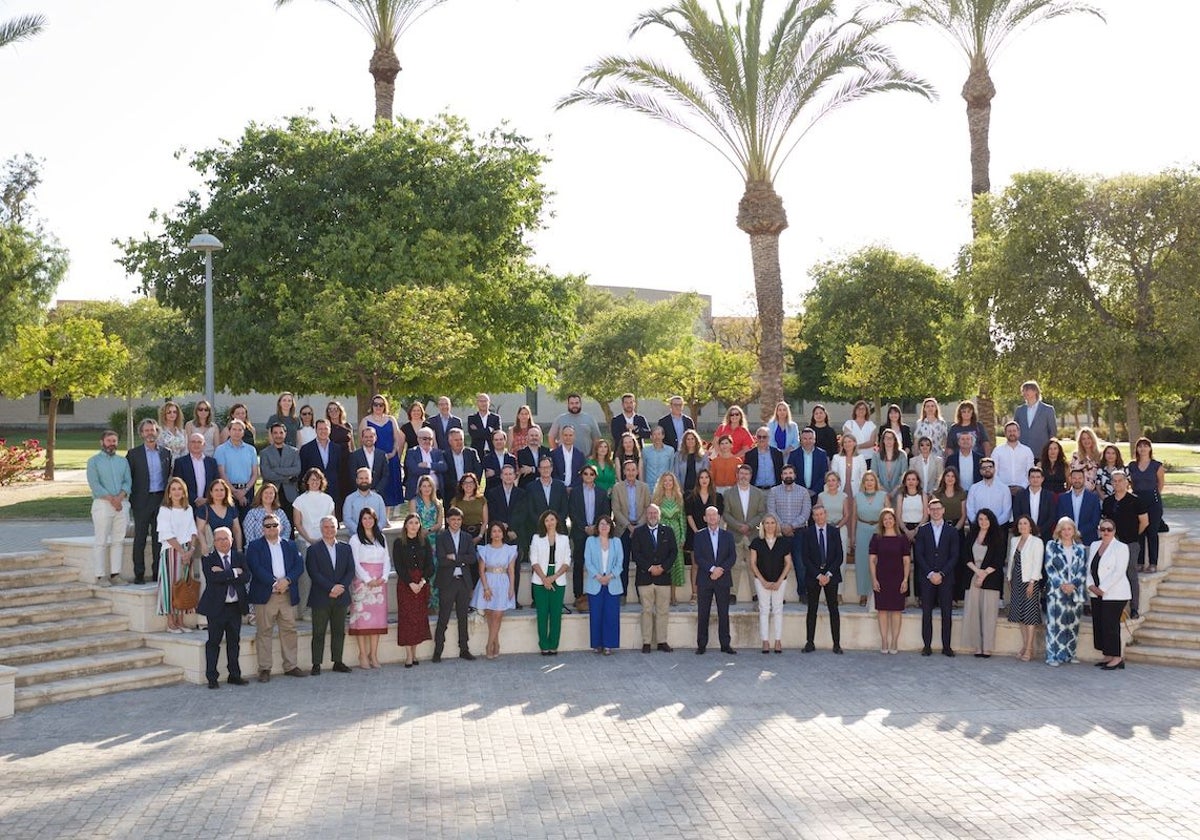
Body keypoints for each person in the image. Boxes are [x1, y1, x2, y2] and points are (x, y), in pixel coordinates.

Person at [244, 512, 307, 681]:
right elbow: (255, 568)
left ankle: (291, 665)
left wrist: (287, 581)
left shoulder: (290, 545)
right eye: (268, 526)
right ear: (263, 529)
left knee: (289, 630)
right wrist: (275, 583)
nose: (272, 528)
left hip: (286, 594)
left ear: (280, 527)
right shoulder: (254, 546)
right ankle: (264, 668)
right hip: (266, 595)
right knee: (264, 631)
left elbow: (298, 566)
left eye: (274, 525)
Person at [198, 526, 250, 689]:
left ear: (232, 540)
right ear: (214, 542)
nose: (222, 542)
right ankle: (212, 677)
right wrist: (235, 572)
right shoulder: (209, 559)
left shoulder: (239, 556)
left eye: (225, 538)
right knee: (213, 642)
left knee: (234, 642)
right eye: (219, 539)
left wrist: (225, 573)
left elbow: (246, 577)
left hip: (235, 606)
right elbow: (213, 578)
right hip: (216, 608)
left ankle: (234, 675)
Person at [305, 515, 355, 675]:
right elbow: (314, 572)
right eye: (326, 527)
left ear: (337, 529)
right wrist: (331, 588)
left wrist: (341, 587)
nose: (329, 530)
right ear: (321, 529)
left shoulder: (345, 548)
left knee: (339, 631)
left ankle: (338, 661)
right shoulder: (313, 549)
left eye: (332, 527)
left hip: (341, 596)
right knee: (318, 632)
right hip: (321, 596)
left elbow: (350, 570)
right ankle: (316, 663)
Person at [127, 418, 172, 585]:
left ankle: (156, 572)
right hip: (141, 501)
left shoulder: (166, 453)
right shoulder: (133, 454)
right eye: (146, 431)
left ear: (157, 432)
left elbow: (168, 476)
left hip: (160, 499)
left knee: (158, 539)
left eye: (152, 430)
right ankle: (139, 573)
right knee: (140, 538)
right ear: (141, 434)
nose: (150, 434)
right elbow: (129, 478)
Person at [913, 498, 959, 657]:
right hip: (927, 578)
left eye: (938, 508)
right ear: (928, 511)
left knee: (947, 613)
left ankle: (947, 646)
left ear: (943, 510)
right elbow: (918, 554)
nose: (936, 511)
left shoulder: (952, 531)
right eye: (932, 509)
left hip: (946, 578)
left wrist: (942, 573)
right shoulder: (923, 530)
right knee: (927, 612)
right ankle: (927, 645)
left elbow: (954, 556)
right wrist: (930, 573)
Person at [348, 507, 392, 670]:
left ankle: (374, 654)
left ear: (375, 520)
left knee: (376, 620)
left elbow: (386, 559)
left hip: (380, 583)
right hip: (363, 583)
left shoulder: (381, 538)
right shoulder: (355, 539)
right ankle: (362, 654)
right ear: (360, 521)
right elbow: (355, 562)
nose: (368, 521)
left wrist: (384, 577)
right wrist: (367, 579)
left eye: (370, 518)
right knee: (362, 620)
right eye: (364, 518)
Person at [1101, 469, 1148, 618]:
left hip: (1130, 544)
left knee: (1131, 574)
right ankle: (1115, 608)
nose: (1117, 483)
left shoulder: (1136, 500)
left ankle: (1134, 608)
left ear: (1126, 482)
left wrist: (1133, 535)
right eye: (1114, 481)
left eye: (1120, 480)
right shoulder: (1108, 502)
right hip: (1112, 544)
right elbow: (1105, 522)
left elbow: (1144, 522)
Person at [432, 507, 477, 662]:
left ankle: (464, 649)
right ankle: (437, 651)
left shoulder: (467, 537)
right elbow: (442, 560)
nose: (456, 522)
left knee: (463, 617)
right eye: (453, 519)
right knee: (443, 616)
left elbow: (472, 558)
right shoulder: (441, 537)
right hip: (447, 582)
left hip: (463, 582)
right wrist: (461, 560)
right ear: (448, 521)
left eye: (458, 519)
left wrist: (455, 557)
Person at [88, 430, 131, 587]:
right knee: (101, 541)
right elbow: (95, 484)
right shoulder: (93, 461)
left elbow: (128, 482)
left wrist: (119, 498)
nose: (112, 443)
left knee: (118, 540)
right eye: (109, 440)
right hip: (102, 505)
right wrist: (111, 499)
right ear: (102, 442)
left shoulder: (123, 461)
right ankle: (100, 576)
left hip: (122, 504)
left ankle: (115, 574)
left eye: (114, 441)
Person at [1088, 518, 1131, 670]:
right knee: (1099, 624)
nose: (1105, 532)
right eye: (1103, 529)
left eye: (1109, 529)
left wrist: (1103, 588)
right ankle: (1107, 655)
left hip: (1115, 593)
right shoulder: (1094, 545)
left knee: (1110, 625)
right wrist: (1091, 586)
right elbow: (1089, 568)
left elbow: (1118, 572)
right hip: (1096, 592)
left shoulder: (1121, 547)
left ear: (1114, 531)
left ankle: (1117, 658)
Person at [290, 468, 333, 621]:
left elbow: (332, 521)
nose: (315, 482)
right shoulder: (300, 500)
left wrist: (324, 538)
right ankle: (306, 610)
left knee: (326, 576)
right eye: (312, 479)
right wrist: (309, 539)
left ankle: (326, 607)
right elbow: (297, 523)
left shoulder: (328, 499)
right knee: (306, 578)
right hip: (305, 543)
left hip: (325, 542)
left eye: (317, 479)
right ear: (307, 481)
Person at [157, 476, 199, 633]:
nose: (176, 492)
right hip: (171, 551)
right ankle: (171, 622)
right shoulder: (165, 510)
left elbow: (193, 531)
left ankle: (181, 620)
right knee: (170, 586)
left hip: (187, 551)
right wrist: (181, 551)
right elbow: (166, 533)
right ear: (169, 493)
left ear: (184, 492)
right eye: (173, 489)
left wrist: (191, 550)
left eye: (179, 489)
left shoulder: (188, 509)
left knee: (183, 584)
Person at [1044, 517, 1087, 666]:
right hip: (1056, 592)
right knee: (1054, 625)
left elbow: (1082, 570)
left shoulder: (1080, 549)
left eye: (1070, 529)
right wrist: (1062, 585)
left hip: (1075, 592)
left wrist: (1073, 585)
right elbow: (1049, 568)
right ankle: (1052, 656)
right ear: (1059, 531)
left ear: (1074, 531)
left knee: (1072, 624)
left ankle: (1070, 654)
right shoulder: (1051, 546)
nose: (1067, 532)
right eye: (1064, 529)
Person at [631, 505, 675, 653]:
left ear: (659, 514)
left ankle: (662, 641)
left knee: (663, 610)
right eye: (649, 513)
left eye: (655, 512)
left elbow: (673, 552)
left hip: (663, 577)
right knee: (647, 611)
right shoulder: (638, 532)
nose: (652, 515)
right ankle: (647, 642)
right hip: (645, 577)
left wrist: (662, 567)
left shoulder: (668, 531)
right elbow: (636, 554)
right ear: (646, 515)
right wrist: (650, 567)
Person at [694, 505, 737, 655]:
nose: (712, 518)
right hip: (705, 579)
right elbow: (698, 557)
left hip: (723, 578)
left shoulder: (728, 536)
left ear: (719, 517)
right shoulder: (699, 536)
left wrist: (720, 570)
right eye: (709, 515)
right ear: (705, 518)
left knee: (723, 613)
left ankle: (725, 644)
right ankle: (701, 644)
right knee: (703, 612)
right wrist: (712, 569)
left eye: (715, 515)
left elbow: (732, 557)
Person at [963, 508, 1006, 657]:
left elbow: (999, 559)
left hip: (991, 578)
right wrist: (977, 572)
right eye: (980, 519)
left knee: (989, 613)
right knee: (973, 612)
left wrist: (984, 574)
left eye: (986, 519)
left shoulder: (998, 536)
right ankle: (977, 646)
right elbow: (966, 556)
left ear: (991, 520)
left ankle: (987, 647)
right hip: (973, 575)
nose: (983, 522)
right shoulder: (971, 535)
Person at [393, 514, 434, 667]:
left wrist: (422, 582)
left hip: (421, 584)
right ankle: (409, 655)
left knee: (418, 619)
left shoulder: (424, 541)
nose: (414, 525)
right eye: (411, 523)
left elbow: (430, 565)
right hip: (406, 584)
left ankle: (415, 653)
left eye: (417, 522)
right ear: (405, 525)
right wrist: (410, 583)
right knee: (407, 619)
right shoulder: (399, 543)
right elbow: (399, 566)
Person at [471, 521, 517, 660]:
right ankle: (496, 643)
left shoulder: (510, 550)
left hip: (503, 582)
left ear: (503, 534)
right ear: (490, 534)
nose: (496, 534)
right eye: (494, 531)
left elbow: (511, 570)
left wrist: (511, 587)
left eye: (499, 531)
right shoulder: (484, 549)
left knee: (498, 614)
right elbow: (481, 570)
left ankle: (489, 644)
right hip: (488, 581)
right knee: (490, 613)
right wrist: (485, 588)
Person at [569, 464, 611, 612]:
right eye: (585, 474)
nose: (588, 476)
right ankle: (578, 595)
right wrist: (584, 527)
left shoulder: (601, 492)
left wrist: (595, 527)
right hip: (580, 533)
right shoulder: (575, 492)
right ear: (582, 475)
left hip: (597, 533)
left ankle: (598, 593)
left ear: (595, 476)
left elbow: (606, 512)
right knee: (579, 564)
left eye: (591, 474)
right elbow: (572, 512)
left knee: (598, 564)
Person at [801, 504, 842, 654]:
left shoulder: (834, 532)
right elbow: (805, 557)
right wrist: (818, 575)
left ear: (826, 515)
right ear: (812, 517)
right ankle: (809, 642)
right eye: (816, 515)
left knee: (834, 609)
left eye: (821, 514)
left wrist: (828, 574)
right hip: (813, 577)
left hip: (831, 576)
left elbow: (839, 556)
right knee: (812, 609)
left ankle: (836, 644)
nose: (819, 517)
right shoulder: (807, 533)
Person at [529, 509, 571, 655]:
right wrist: (544, 578)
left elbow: (567, 561)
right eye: (547, 520)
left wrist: (553, 577)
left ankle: (554, 645)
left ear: (557, 521)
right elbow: (533, 560)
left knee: (555, 614)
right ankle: (544, 645)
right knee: (542, 613)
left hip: (558, 578)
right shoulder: (536, 538)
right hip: (540, 579)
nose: (550, 522)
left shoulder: (564, 539)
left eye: (552, 519)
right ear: (543, 523)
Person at [723, 464, 766, 604]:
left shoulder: (758, 493)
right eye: (741, 474)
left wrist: (749, 525)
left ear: (750, 476)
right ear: (737, 475)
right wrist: (738, 526)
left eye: (746, 474)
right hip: (735, 534)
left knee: (753, 565)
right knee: (734, 565)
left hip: (752, 534)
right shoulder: (729, 493)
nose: (743, 476)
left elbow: (761, 513)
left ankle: (756, 593)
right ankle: (731, 594)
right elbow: (726, 513)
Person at [767, 464, 812, 600]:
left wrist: (791, 526)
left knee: (800, 563)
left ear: (795, 475)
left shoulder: (803, 492)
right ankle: (778, 595)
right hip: (779, 533)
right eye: (785, 473)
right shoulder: (774, 491)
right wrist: (782, 527)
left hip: (799, 532)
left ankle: (803, 593)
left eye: (790, 473)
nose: (788, 475)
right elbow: (771, 511)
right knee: (777, 564)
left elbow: (806, 513)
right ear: (781, 476)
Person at [749, 514, 792, 654]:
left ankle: (778, 641)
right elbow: (753, 564)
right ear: (762, 525)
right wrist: (763, 581)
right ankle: (765, 641)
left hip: (780, 581)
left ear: (776, 525)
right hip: (761, 581)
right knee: (764, 609)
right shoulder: (756, 542)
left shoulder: (783, 542)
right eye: (766, 523)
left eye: (772, 522)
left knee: (778, 609)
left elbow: (788, 564)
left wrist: (779, 581)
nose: (769, 525)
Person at [869, 509, 910, 654]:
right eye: (885, 519)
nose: (888, 521)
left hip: (898, 578)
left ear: (894, 520)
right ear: (882, 522)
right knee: (882, 611)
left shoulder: (902, 539)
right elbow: (872, 560)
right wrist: (874, 579)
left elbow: (906, 561)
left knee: (896, 611)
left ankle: (894, 641)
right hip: (881, 577)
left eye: (890, 518)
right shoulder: (876, 538)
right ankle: (884, 640)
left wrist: (905, 580)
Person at [485, 464, 526, 608]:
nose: (508, 477)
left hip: (515, 535)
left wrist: (513, 529)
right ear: (501, 476)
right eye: (505, 474)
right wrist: (502, 527)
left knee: (514, 568)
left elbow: (522, 513)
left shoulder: (521, 493)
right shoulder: (492, 493)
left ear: (515, 476)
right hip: (498, 535)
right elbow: (492, 512)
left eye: (511, 474)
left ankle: (513, 598)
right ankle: (498, 598)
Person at [583, 514, 624, 655]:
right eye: (601, 524)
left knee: (611, 615)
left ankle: (608, 645)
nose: (604, 526)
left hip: (613, 583)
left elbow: (620, 563)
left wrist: (610, 576)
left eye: (607, 523)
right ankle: (597, 644)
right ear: (597, 527)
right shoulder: (590, 541)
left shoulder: (617, 542)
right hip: (596, 583)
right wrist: (599, 576)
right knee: (596, 615)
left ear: (611, 527)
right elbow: (588, 562)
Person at [1007, 514, 1045, 662]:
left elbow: (1037, 563)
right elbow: (1012, 560)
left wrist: (1032, 582)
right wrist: (1009, 577)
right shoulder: (1014, 540)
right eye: (1020, 524)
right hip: (1016, 581)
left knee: (1029, 616)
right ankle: (1024, 646)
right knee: (1019, 615)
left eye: (1025, 523)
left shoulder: (1037, 542)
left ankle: (1029, 648)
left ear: (1031, 526)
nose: (1022, 526)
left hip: (1030, 582)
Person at [610, 458, 650, 596]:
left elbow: (647, 508)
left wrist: (638, 526)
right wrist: (628, 525)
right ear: (624, 472)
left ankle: (641, 594)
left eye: (633, 469)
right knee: (623, 563)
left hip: (640, 528)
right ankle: (623, 594)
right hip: (623, 530)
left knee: (641, 563)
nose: (631, 472)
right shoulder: (617, 488)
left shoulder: (644, 487)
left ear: (637, 471)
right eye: (628, 470)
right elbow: (616, 510)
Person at [684, 468, 723, 605]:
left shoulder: (717, 497)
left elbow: (719, 517)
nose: (704, 480)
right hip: (695, 534)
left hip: (714, 535)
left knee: (712, 564)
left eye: (706, 477)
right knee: (695, 564)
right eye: (701, 477)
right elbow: (689, 516)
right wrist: (698, 533)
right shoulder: (690, 496)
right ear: (698, 480)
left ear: (710, 480)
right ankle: (695, 594)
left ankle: (711, 593)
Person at [1128, 437, 1165, 572]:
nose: (1142, 449)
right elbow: (1130, 482)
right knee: (1139, 532)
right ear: (1136, 449)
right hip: (1137, 501)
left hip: (1153, 502)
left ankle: (1153, 563)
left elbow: (1160, 484)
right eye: (1140, 446)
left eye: (1145, 446)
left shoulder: (1157, 465)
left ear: (1150, 448)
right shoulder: (1132, 466)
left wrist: (1153, 495)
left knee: (1152, 531)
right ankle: (1139, 562)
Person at [410, 475, 445, 612]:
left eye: (429, 486)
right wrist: (420, 531)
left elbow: (439, 523)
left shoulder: (438, 503)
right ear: (419, 487)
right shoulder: (414, 502)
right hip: (418, 539)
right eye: (424, 486)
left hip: (433, 540)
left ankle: (434, 603)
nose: (426, 488)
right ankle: (422, 603)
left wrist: (428, 530)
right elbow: (411, 520)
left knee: (434, 571)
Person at [652, 471, 687, 604]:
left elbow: (682, 518)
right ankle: (660, 597)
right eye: (665, 480)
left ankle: (673, 596)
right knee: (662, 562)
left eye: (670, 480)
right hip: (662, 533)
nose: (668, 483)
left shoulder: (679, 497)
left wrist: (683, 536)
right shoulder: (657, 499)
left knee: (674, 564)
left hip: (676, 532)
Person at [853, 471, 885, 608]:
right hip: (862, 528)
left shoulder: (883, 496)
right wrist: (853, 536)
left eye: (872, 479)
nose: (869, 482)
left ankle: (879, 591)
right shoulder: (857, 497)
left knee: (881, 561)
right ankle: (864, 593)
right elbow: (854, 517)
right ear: (863, 483)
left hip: (879, 530)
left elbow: (889, 515)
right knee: (862, 562)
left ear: (876, 482)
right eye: (867, 480)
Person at [215, 419, 259, 519]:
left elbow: (255, 474)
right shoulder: (221, 450)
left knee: (247, 523)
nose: (237, 432)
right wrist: (235, 492)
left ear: (243, 433)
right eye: (234, 429)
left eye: (240, 430)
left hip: (247, 491)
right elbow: (222, 473)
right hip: (227, 492)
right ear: (229, 431)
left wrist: (244, 491)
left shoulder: (251, 450)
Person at [260, 422, 302, 520]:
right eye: (275, 433)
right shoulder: (265, 453)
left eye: (281, 432)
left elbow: (296, 470)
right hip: (271, 495)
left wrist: (276, 470)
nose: (278, 435)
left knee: (290, 523)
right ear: (271, 434)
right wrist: (287, 478)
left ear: (285, 433)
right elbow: (266, 474)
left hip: (290, 494)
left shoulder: (294, 452)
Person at [451, 474, 488, 579]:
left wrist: (480, 536)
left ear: (475, 484)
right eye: (465, 483)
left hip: (478, 533)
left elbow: (485, 521)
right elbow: (452, 519)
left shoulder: (481, 500)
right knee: (464, 563)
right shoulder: (456, 501)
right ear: (461, 485)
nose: (468, 485)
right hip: (461, 534)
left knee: (478, 564)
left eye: (471, 482)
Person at [195, 478, 243, 556]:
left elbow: (237, 530)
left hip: (229, 550)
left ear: (226, 492)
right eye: (216, 490)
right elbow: (200, 530)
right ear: (211, 493)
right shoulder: (203, 509)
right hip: (210, 550)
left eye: (221, 490)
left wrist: (239, 549)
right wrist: (204, 546)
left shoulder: (231, 508)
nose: (219, 492)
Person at [175, 432, 220, 514]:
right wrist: (195, 499)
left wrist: (207, 499)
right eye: (193, 442)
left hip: (208, 505)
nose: (196, 445)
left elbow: (216, 483)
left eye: (199, 442)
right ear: (188, 444)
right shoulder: (180, 462)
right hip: (186, 505)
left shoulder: (212, 462)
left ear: (204, 445)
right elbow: (179, 484)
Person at [1055, 467, 1102, 545]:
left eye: (1080, 478)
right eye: (1074, 478)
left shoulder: (1093, 498)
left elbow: (1095, 520)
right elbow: (1061, 518)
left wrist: (1079, 532)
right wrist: (1070, 533)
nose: (1077, 480)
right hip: (1067, 539)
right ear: (1070, 479)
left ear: (1084, 479)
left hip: (1088, 539)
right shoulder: (1062, 498)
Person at [348, 423, 392, 505]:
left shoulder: (382, 455)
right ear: (362, 438)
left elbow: (385, 475)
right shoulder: (355, 455)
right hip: (359, 495)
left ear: (375, 438)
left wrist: (377, 490)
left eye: (371, 436)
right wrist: (362, 490)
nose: (369, 439)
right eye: (366, 437)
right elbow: (352, 475)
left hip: (378, 495)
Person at [1014, 380, 1058, 460]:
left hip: (1041, 453)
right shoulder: (1019, 410)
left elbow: (1053, 432)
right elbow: (1015, 430)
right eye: (1023, 390)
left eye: (1027, 390)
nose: (1024, 392)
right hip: (1022, 453)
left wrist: (1051, 451)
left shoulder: (1048, 410)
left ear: (1035, 391)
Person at [324, 401, 355, 509]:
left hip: (348, 461)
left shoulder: (347, 426)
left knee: (349, 488)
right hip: (334, 461)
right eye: (330, 409)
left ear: (340, 411)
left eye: (335, 409)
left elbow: (352, 445)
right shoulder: (327, 427)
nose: (333, 412)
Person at [243, 480, 293, 547]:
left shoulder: (280, 512)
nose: (268, 495)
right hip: (258, 549)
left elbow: (287, 528)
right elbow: (249, 536)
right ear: (261, 495)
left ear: (275, 496)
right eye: (266, 493)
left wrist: (281, 543)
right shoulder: (252, 513)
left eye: (271, 493)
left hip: (278, 547)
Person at [441, 427, 483, 507]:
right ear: (450, 441)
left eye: (461, 439)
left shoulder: (472, 453)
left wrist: (469, 485)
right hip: (451, 494)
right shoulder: (444, 455)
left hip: (470, 492)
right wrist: (459, 486)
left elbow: (478, 471)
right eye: (456, 440)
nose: (459, 442)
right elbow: (444, 475)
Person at [787, 427, 829, 504]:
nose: (808, 441)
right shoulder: (793, 455)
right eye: (805, 439)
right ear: (800, 440)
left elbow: (824, 475)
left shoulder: (822, 454)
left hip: (817, 494)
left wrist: (813, 491)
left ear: (814, 440)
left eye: (810, 438)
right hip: (798, 494)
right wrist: (803, 491)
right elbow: (791, 474)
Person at [965, 458, 1012, 527]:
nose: (987, 469)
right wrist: (979, 524)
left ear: (994, 469)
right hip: (978, 527)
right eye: (984, 468)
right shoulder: (974, 488)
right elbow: (970, 510)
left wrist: (994, 524)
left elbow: (1007, 512)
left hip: (998, 528)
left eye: (990, 467)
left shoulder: (1004, 489)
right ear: (980, 471)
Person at [404, 427, 448, 499]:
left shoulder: (438, 452)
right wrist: (434, 469)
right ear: (418, 439)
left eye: (430, 439)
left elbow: (444, 467)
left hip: (436, 492)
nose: (427, 441)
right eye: (424, 438)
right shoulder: (412, 452)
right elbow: (414, 470)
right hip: (417, 491)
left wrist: (428, 465)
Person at [343, 467, 390, 534]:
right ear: (357, 480)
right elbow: (347, 520)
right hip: (356, 537)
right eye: (361, 478)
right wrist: (360, 532)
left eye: (366, 478)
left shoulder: (378, 498)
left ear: (371, 480)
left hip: (376, 537)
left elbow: (383, 519)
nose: (364, 481)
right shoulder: (349, 499)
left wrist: (374, 532)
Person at [993, 421, 1035, 493]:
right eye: (1009, 431)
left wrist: (1023, 487)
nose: (1012, 433)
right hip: (1002, 491)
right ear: (1005, 433)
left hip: (1023, 491)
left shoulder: (1027, 451)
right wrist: (1004, 488)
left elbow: (1030, 472)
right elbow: (994, 472)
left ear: (1018, 433)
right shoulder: (997, 451)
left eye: (1014, 431)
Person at [893, 469, 928, 547]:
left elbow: (926, 516)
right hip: (904, 528)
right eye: (908, 479)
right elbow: (898, 516)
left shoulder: (923, 495)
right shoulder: (900, 496)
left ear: (917, 482)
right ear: (905, 482)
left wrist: (915, 531)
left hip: (919, 528)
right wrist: (906, 531)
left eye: (913, 479)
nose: (911, 482)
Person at [744, 426, 784, 491]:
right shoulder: (749, 455)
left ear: (769, 438)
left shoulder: (777, 454)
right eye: (759, 437)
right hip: (755, 490)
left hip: (774, 490)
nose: (761, 439)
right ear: (756, 438)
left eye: (764, 437)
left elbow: (781, 472)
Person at [641, 424, 676, 496]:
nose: (657, 437)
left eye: (659, 434)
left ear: (663, 436)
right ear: (651, 437)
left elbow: (671, 469)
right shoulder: (645, 451)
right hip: (649, 487)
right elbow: (643, 468)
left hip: (665, 487)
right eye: (654, 434)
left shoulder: (670, 450)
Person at [932, 467, 969, 533]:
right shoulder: (936, 494)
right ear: (944, 478)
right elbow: (934, 513)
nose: (950, 478)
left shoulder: (962, 493)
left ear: (956, 479)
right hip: (940, 527)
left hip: (958, 527)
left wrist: (955, 529)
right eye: (948, 476)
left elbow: (963, 515)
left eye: (953, 476)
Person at [831, 434, 867, 502]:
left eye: (849, 441)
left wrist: (862, 490)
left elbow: (863, 476)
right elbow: (834, 476)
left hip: (857, 491)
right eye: (845, 442)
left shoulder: (860, 458)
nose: (847, 444)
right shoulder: (836, 458)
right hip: (840, 490)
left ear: (854, 443)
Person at [550, 424, 586, 490]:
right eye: (565, 435)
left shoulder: (580, 455)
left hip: (575, 490)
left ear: (574, 436)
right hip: (558, 489)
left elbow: (582, 474)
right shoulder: (554, 454)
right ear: (561, 436)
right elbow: (553, 473)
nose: (568, 437)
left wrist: (572, 487)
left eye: (570, 435)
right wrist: (563, 487)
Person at [466, 393, 502, 459]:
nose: (483, 403)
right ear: (477, 403)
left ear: (489, 403)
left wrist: (479, 431)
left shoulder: (495, 418)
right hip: (477, 453)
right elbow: (474, 434)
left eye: (485, 401)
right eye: (481, 401)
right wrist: (489, 430)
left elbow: (497, 435)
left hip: (493, 451)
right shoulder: (472, 418)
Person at [842, 401, 877, 468]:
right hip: (853, 457)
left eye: (863, 409)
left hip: (868, 458)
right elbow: (847, 440)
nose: (861, 410)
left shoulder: (871, 425)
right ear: (855, 411)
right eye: (858, 408)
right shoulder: (849, 424)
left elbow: (872, 442)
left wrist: (856, 446)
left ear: (866, 411)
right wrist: (854, 446)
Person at [874, 429, 908, 496]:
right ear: (883, 440)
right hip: (880, 492)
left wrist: (894, 491)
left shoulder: (902, 455)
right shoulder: (876, 455)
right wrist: (884, 491)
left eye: (891, 438)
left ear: (895, 440)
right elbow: (874, 475)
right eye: (886, 438)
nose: (888, 440)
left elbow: (904, 475)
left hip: (898, 492)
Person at [909, 436, 943, 501]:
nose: (925, 447)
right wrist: (919, 493)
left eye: (927, 445)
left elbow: (939, 479)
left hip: (933, 495)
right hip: (917, 494)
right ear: (919, 447)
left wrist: (932, 493)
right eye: (922, 445)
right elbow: (911, 479)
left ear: (931, 446)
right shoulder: (913, 461)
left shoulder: (938, 461)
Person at [1070, 427, 1103, 493]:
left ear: (1093, 439)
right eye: (1083, 439)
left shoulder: (1100, 455)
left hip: (1096, 492)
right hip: (1078, 491)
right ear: (1080, 441)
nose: (1086, 441)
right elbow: (1072, 474)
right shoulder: (1076, 455)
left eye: (1088, 438)